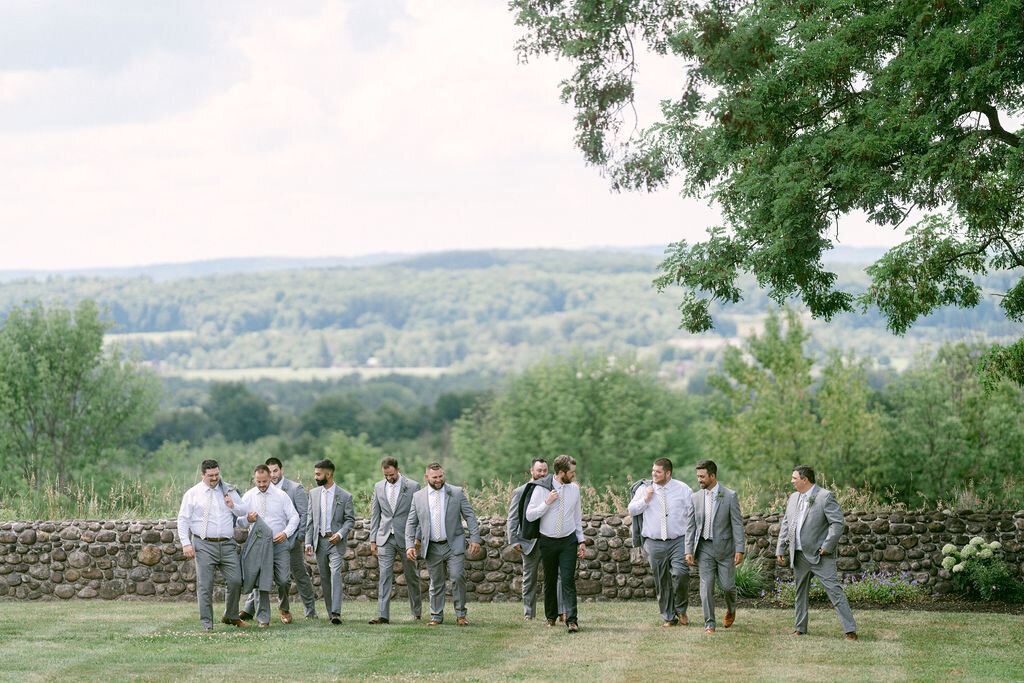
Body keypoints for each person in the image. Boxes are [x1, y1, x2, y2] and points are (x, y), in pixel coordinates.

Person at [776, 465, 857, 640]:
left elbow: (837, 524)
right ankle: (800, 628)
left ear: (805, 480)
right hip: (798, 555)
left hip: (820, 556)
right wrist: (781, 547)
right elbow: (786, 524)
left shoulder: (825, 496)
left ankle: (850, 630)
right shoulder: (793, 498)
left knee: (835, 592)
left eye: (794, 478)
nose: (791, 481)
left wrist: (827, 546)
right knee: (800, 593)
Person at [175, 459, 253, 630]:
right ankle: (207, 624)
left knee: (235, 580)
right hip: (203, 544)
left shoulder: (229, 490)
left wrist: (232, 505)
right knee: (205, 585)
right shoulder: (192, 493)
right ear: (203, 475)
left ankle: (231, 616)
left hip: (227, 544)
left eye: (217, 474)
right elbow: (183, 519)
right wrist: (186, 543)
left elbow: (244, 510)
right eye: (210, 476)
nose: (215, 478)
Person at [405, 462, 481, 626]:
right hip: (431, 546)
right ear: (427, 477)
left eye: (441, 476)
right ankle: (436, 617)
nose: (439, 480)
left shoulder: (457, 492)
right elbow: (411, 523)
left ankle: (461, 615)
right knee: (436, 582)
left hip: (453, 544)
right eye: (435, 477)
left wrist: (475, 538)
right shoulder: (418, 497)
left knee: (457, 577)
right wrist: (409, 544)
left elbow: (470, 517)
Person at [627, 457, 693, 627]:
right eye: (653, 470)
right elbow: (632, 510)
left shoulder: (683, 489)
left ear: (668, 473)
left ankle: (681, 609)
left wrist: (692, 539)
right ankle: (669, 617)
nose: (653, 474)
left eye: (658, 471)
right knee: (661, 580)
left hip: (679, 540)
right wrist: (646, 499)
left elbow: (693, 515)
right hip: (654, 542)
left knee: (681, 574)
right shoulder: (644, 489)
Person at [525, 454, 585, 633]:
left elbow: (577, 517)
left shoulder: (575, 489)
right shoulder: (542, 489)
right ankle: (550, 617)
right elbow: (530, 515)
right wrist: (547, 503)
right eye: (572, 472)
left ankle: (572, 620)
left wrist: (581, 541)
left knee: (568, 580)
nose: (574, 475)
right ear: (561, 473)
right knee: (549, 581)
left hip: (568, 541)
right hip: (547, 541)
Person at [685, 459, 745, 633]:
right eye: (698, 476)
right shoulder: (695, 498)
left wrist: (739, 549)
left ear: (713, 476)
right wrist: (688, 549)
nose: (699, 480)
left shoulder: (730, 496)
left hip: (726, 550)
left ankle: (731, 609)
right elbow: (690, 526)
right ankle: (710, 623)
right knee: (706, 586)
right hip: (704, 549)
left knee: (727, 587)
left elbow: (737, 524)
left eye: (702, 476)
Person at [236, 464, 299, 627]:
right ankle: (263, 619)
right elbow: (239, 521)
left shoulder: (281, 495)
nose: (262, 485)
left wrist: (285, 533)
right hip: (258, 546)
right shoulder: (248, 496)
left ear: (270, 478)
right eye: (259, 481)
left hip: (279, 544)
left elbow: (294, 517)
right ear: (254, 479)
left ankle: (284, 608)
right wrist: (247, 520)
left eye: (265, 481)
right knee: (260, 583)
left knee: (284, 580)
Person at [507, 458, 566, 621]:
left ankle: (561, 612)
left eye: (545, 471)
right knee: (529, 578)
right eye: (539, 470)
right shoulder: (521, 491)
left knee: (559, 575)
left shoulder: (553, 489)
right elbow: (512, 518)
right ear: (531, 471)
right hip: (529, 542)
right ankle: (529, 613)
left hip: (551, 539)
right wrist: (514, 540)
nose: (542, 474)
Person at [368, 456, 423, 623]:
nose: (389, 478)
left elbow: (420, 515)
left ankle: (417, 612)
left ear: (398, 470)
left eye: (391, 475)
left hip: (407, 538)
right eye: (386, 475)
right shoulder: (378, 487)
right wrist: (373, 539)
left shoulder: (413, 486)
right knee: (384, 576)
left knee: (411, 575)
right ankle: (383, 616)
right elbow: (375, 514)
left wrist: (417, 537)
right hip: (385, 538)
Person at [304, 459, 355, 624]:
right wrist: (308, 542)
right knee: (324, 578)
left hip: (335, 542)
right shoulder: (313, 494)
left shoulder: (345, 496)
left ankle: (336, 613)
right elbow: (310, 520)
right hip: (320, 542)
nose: (316, 477)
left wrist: (340, 534)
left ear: (329, 474)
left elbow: (350, 520)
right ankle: (330, 613)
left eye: (318, 474)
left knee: (335, 574)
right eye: (315, 474)